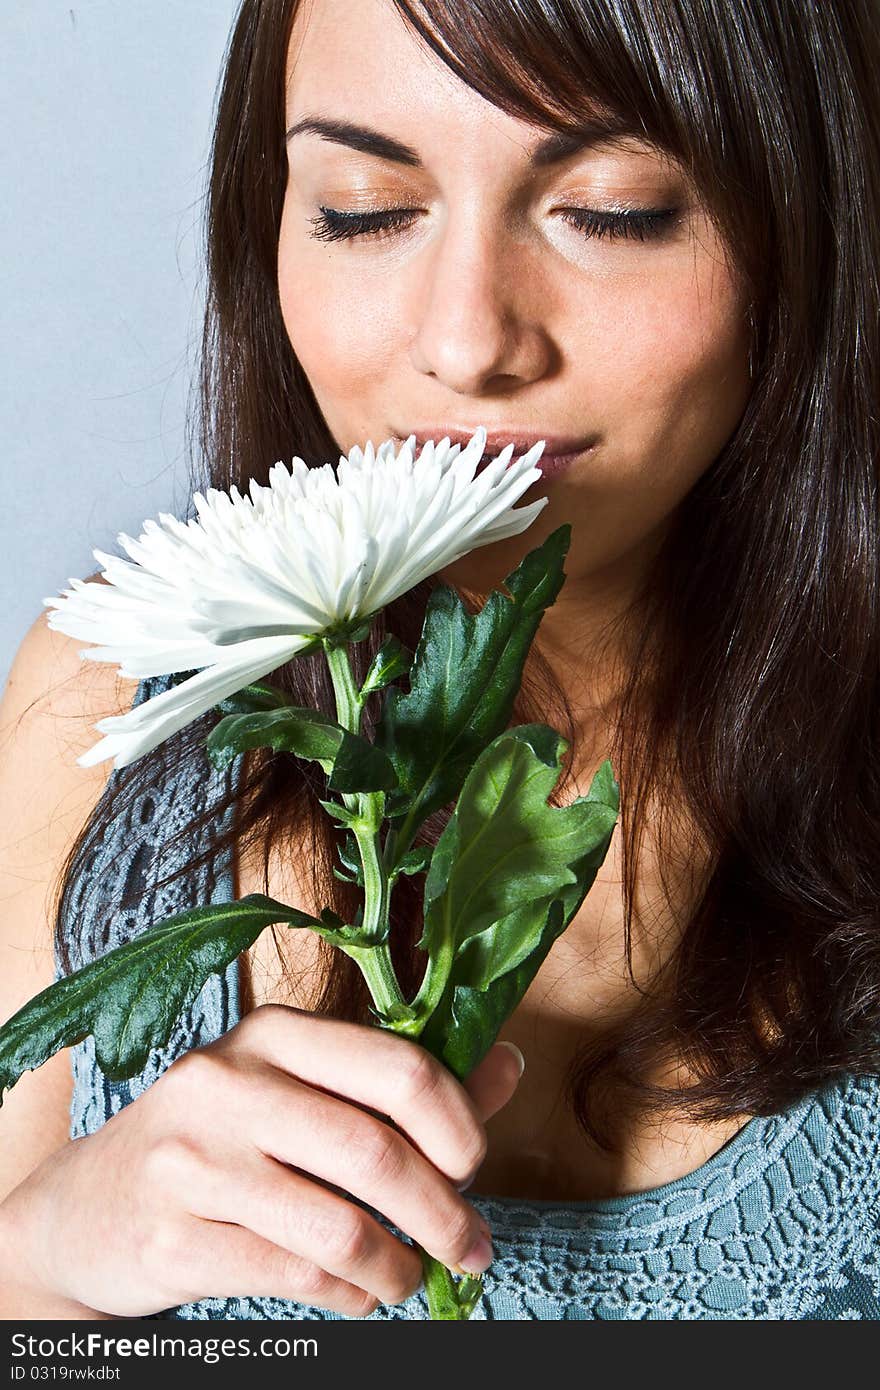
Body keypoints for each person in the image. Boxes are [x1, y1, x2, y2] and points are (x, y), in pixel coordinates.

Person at [2, 0, 879, 1321]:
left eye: (614, 209)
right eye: (363, 208)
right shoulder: (107, 690)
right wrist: (45, 1262)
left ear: (807, 232)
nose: (467, 342)